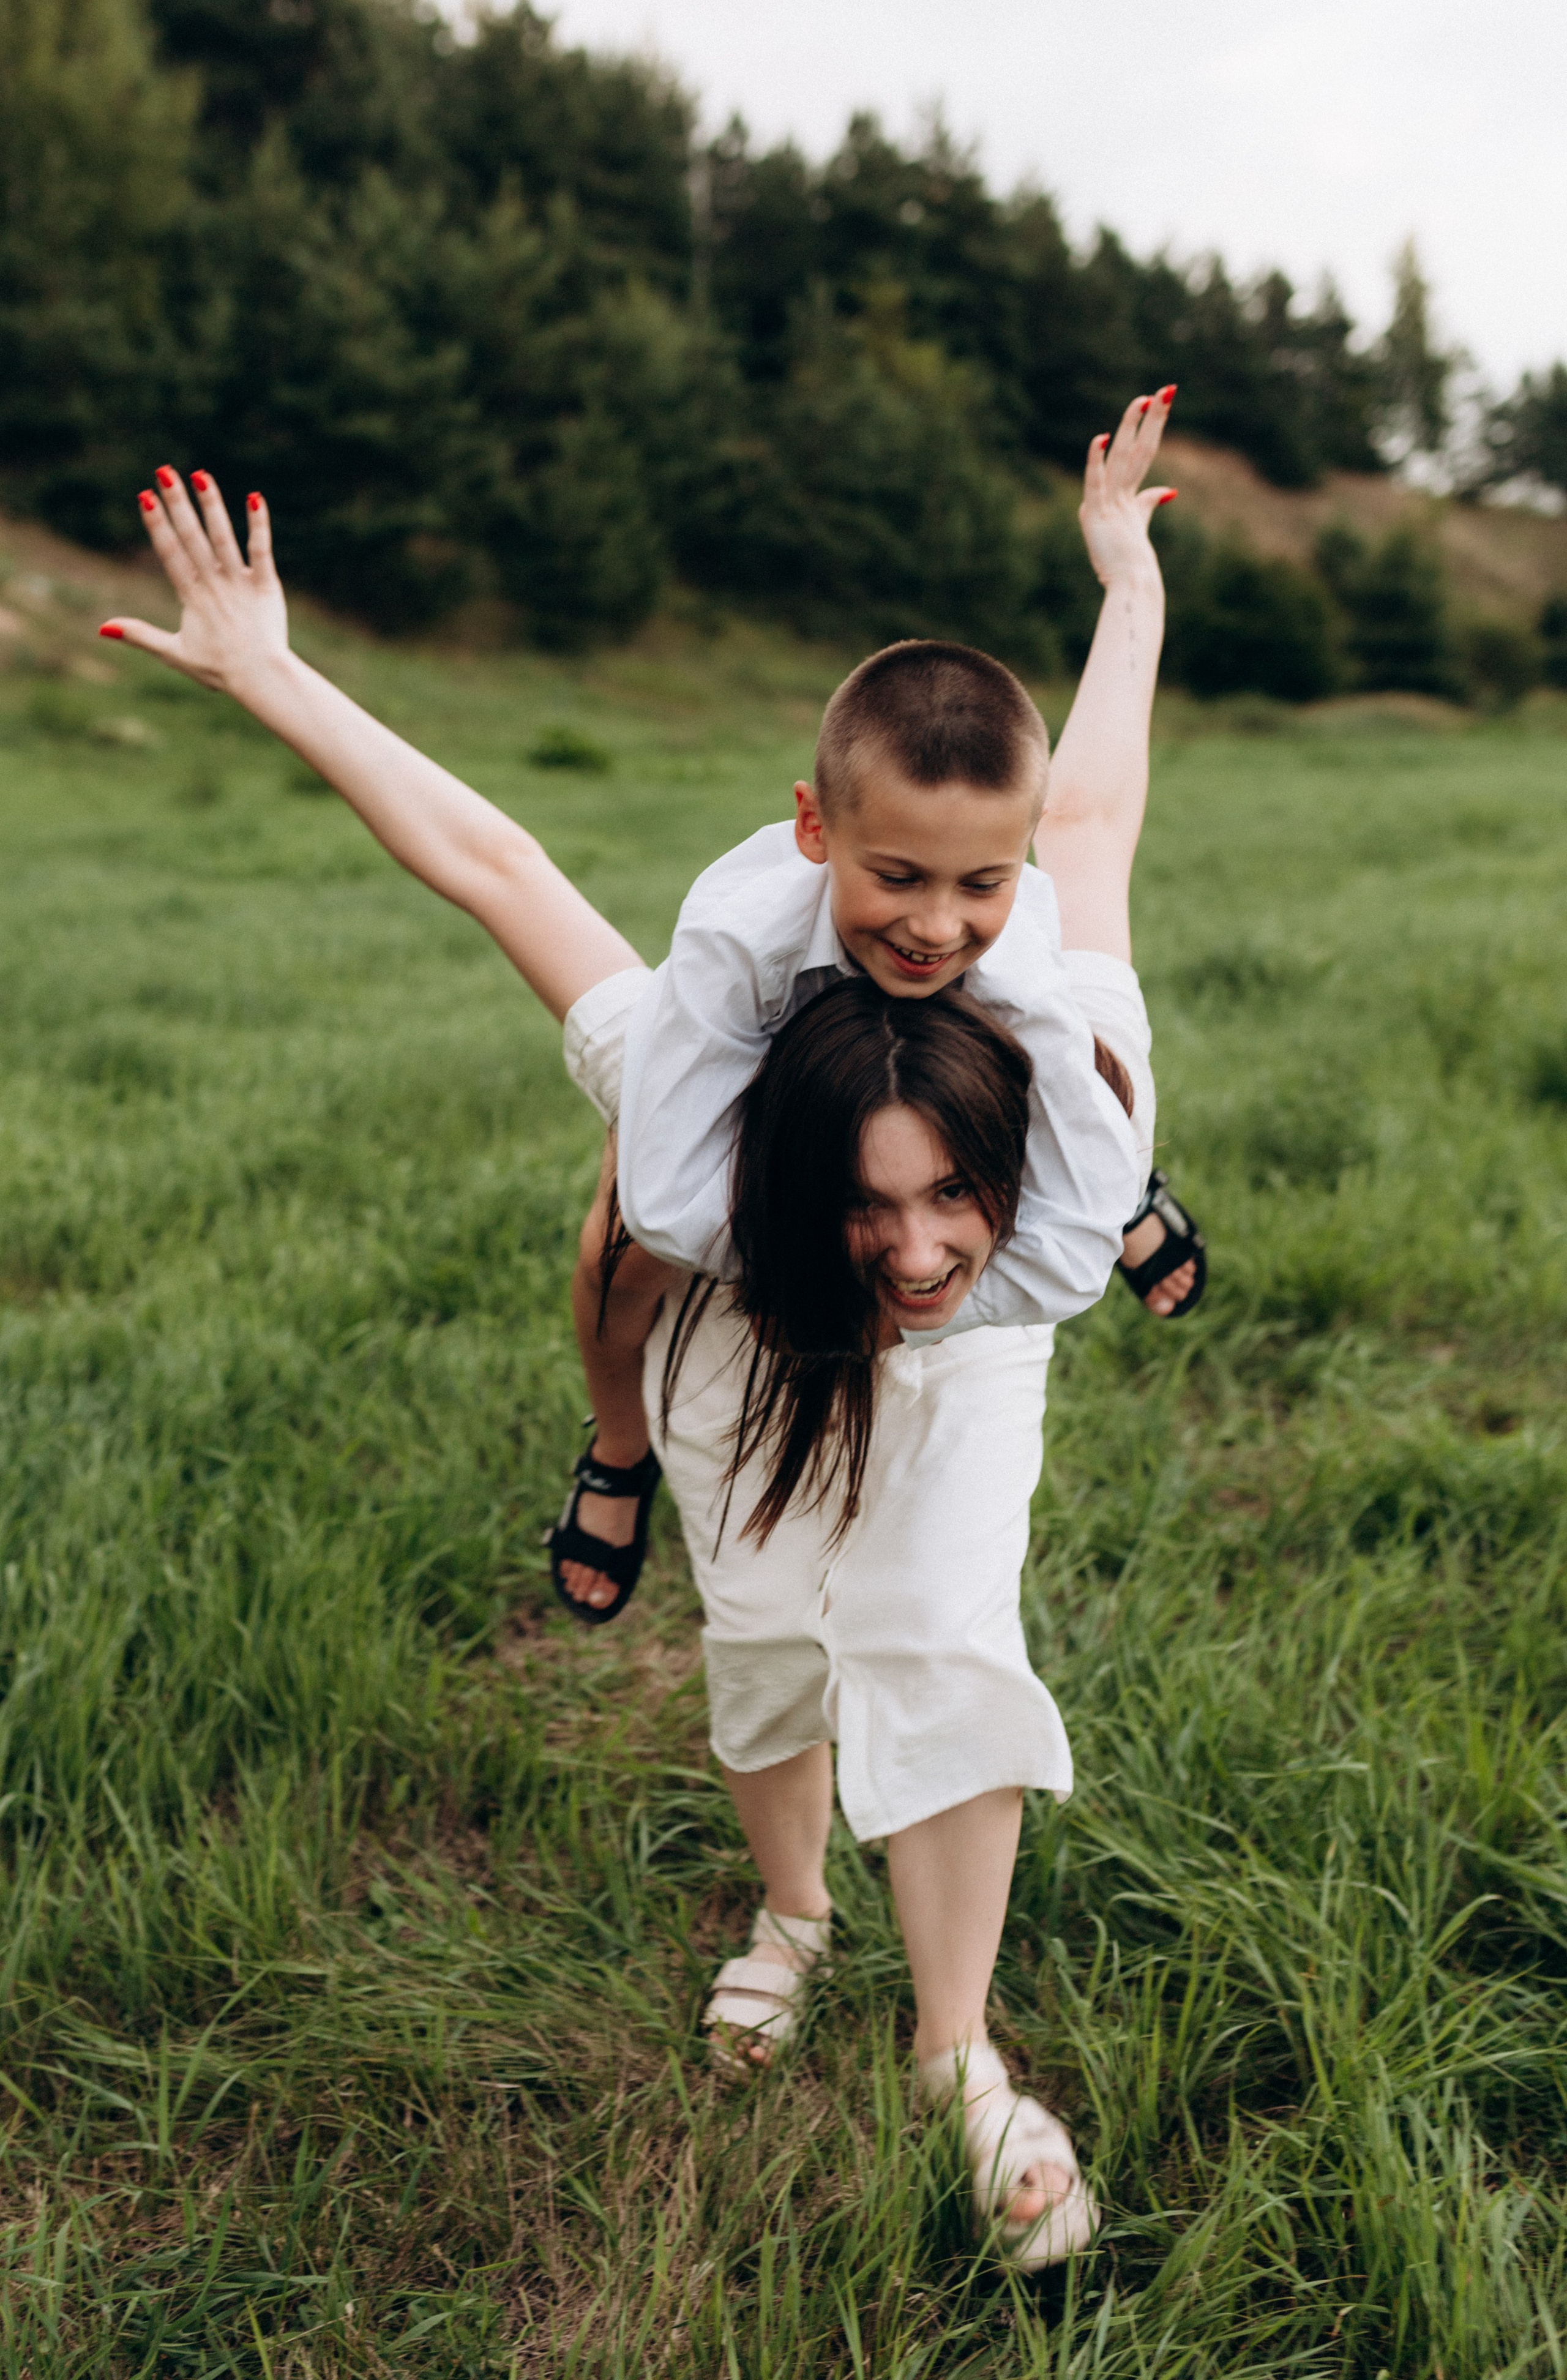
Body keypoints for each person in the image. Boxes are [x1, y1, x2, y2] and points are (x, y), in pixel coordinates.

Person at [99, 391, 1184, 2269]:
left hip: (989, 1322)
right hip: (752, 1304)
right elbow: (497, 863)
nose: (936, 920)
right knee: (764, 1620)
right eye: (896, 878)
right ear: (817, 834)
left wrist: (1126, 576)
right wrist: (274, 676)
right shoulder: (713, 1041)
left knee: (936, 1627)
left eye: (970, 889)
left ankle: (959, 2054)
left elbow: (1086, 799)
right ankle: (790, 1917)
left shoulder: (1049, 1037)